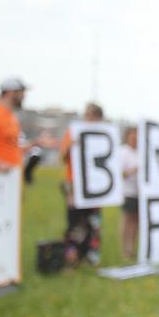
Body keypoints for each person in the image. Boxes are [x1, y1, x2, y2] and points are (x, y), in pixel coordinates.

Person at [59, 102, 105, 266]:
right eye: (88, 115)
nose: (90, 119)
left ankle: (90, 256)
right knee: (74, 223)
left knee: (93, 223)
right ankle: (72, 257)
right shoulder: (73, 133)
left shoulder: (103, 135)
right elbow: (63, 158)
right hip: (75, 184)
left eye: (94, 116)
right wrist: (70, 147)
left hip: (95, 187)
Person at [119, 126, 139, 261]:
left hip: (140, 193)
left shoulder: (141, 152)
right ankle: (125, 249)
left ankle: (132, 248)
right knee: (128, 220)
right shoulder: (122, 152)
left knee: (136, 221)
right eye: (133, 136)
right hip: (128, 192)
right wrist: (133, 171)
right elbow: (119, 174)